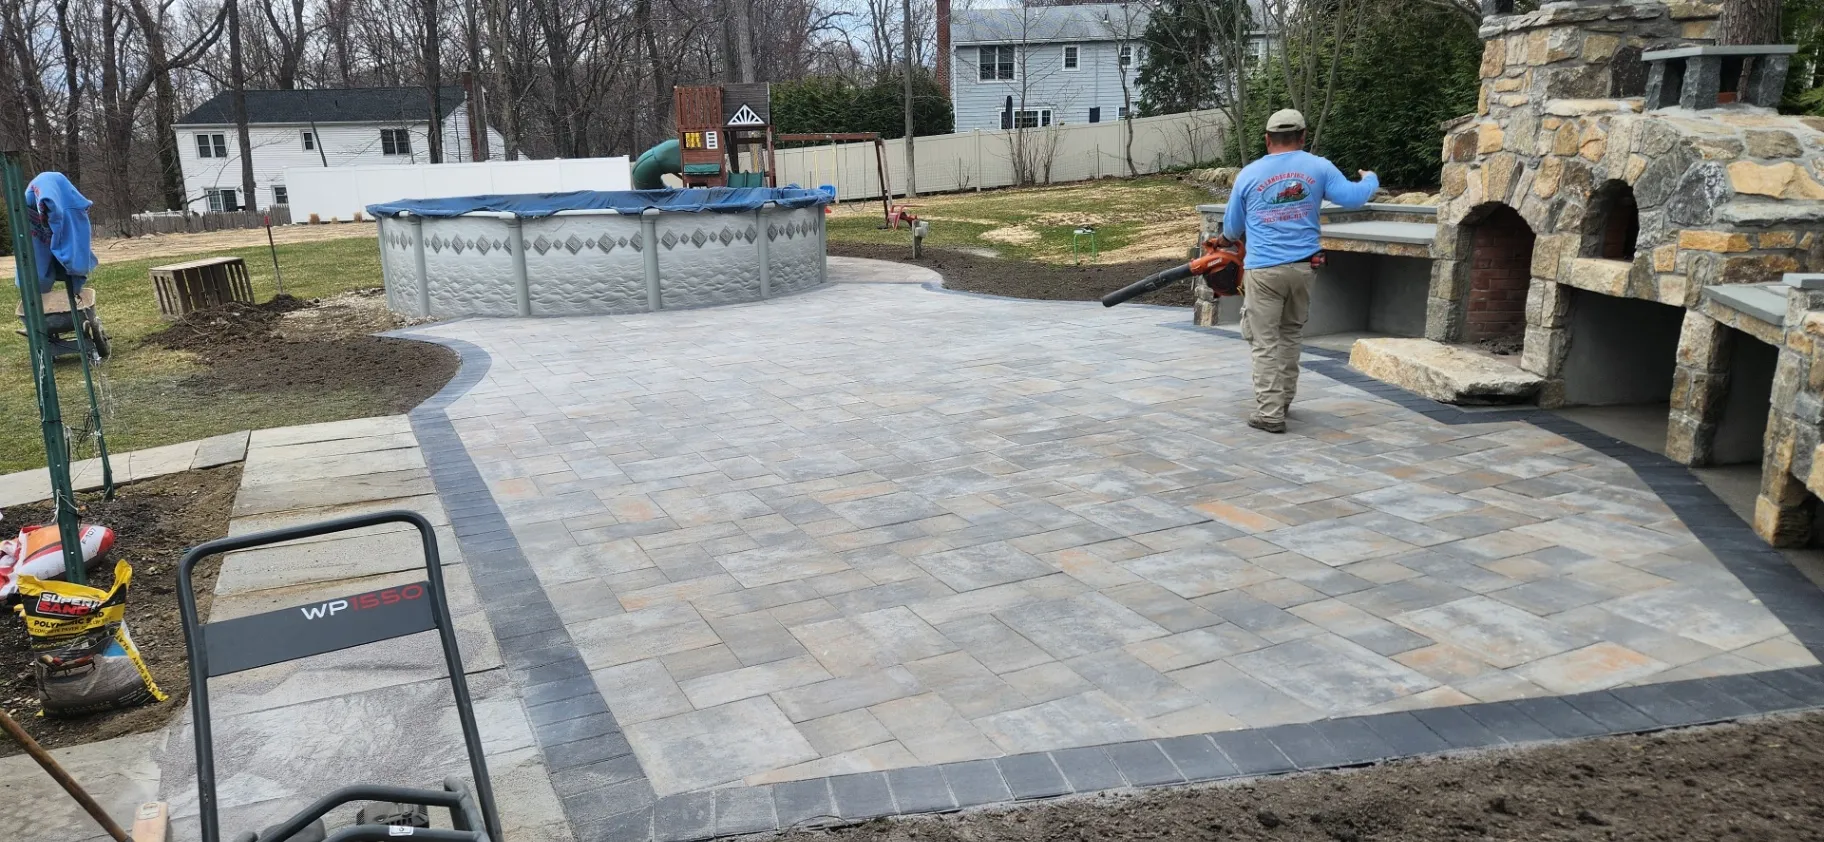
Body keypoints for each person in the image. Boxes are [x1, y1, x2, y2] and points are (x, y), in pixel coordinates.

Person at [1219, 109, 1378, 434]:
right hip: (1304, 268)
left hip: (1264, 271)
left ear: (1267, 139)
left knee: (1264, 341)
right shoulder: (1319, 167)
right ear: (1303, 137)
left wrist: (1222, 242)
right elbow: (1354, 197)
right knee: (1290, 334)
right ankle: (1284, 402)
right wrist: (1370, 178)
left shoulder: (1249, 174)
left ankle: (1270, 413)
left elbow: (1232, 229)